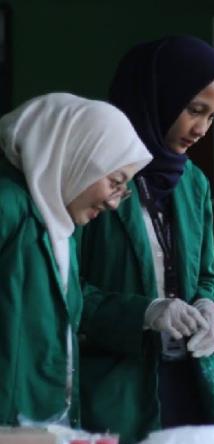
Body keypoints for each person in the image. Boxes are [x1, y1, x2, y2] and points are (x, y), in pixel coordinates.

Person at [77, 36, 214, 444]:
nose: (202, 129)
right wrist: (144, 312)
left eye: (213, 116)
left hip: (192, 385)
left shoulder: (193, 182)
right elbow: (65, 291)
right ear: (155, 97)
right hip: (117, 393)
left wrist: (212, 308)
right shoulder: (93, 177)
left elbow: (208, 277)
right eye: (194, 110)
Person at [0, 93, 151, 426]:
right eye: (114, 183)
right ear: (77, 156)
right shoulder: (8, 204)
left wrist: (149, 313)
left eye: (123, 190)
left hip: (46, 426)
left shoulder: (61, 231)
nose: (114, 203)